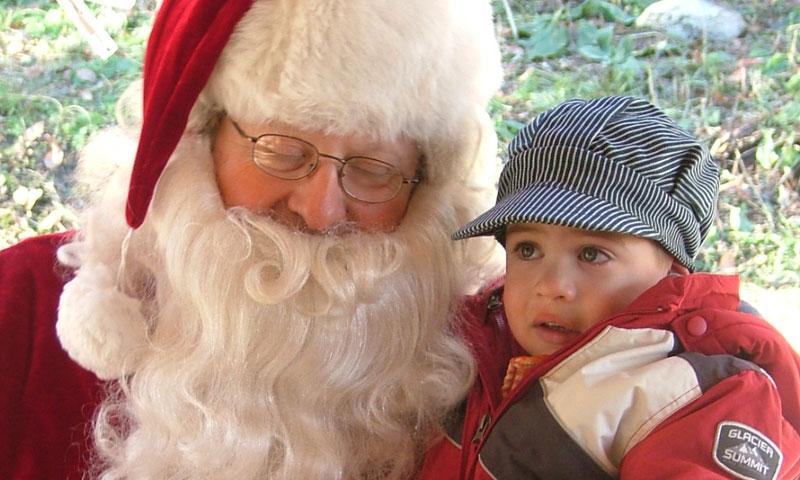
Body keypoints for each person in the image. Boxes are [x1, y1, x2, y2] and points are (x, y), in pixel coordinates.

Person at [0, 0, 504, 478]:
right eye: (282, 152)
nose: (321, 212)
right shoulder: (19, 310)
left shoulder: (487, 376)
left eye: (375, 170)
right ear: (201, 138)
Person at [419, 96, 800, 479]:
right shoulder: (477, 345)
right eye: (528, 249)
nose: (550, 286)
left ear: (672, 273)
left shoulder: (698, 397)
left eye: (591, 254)